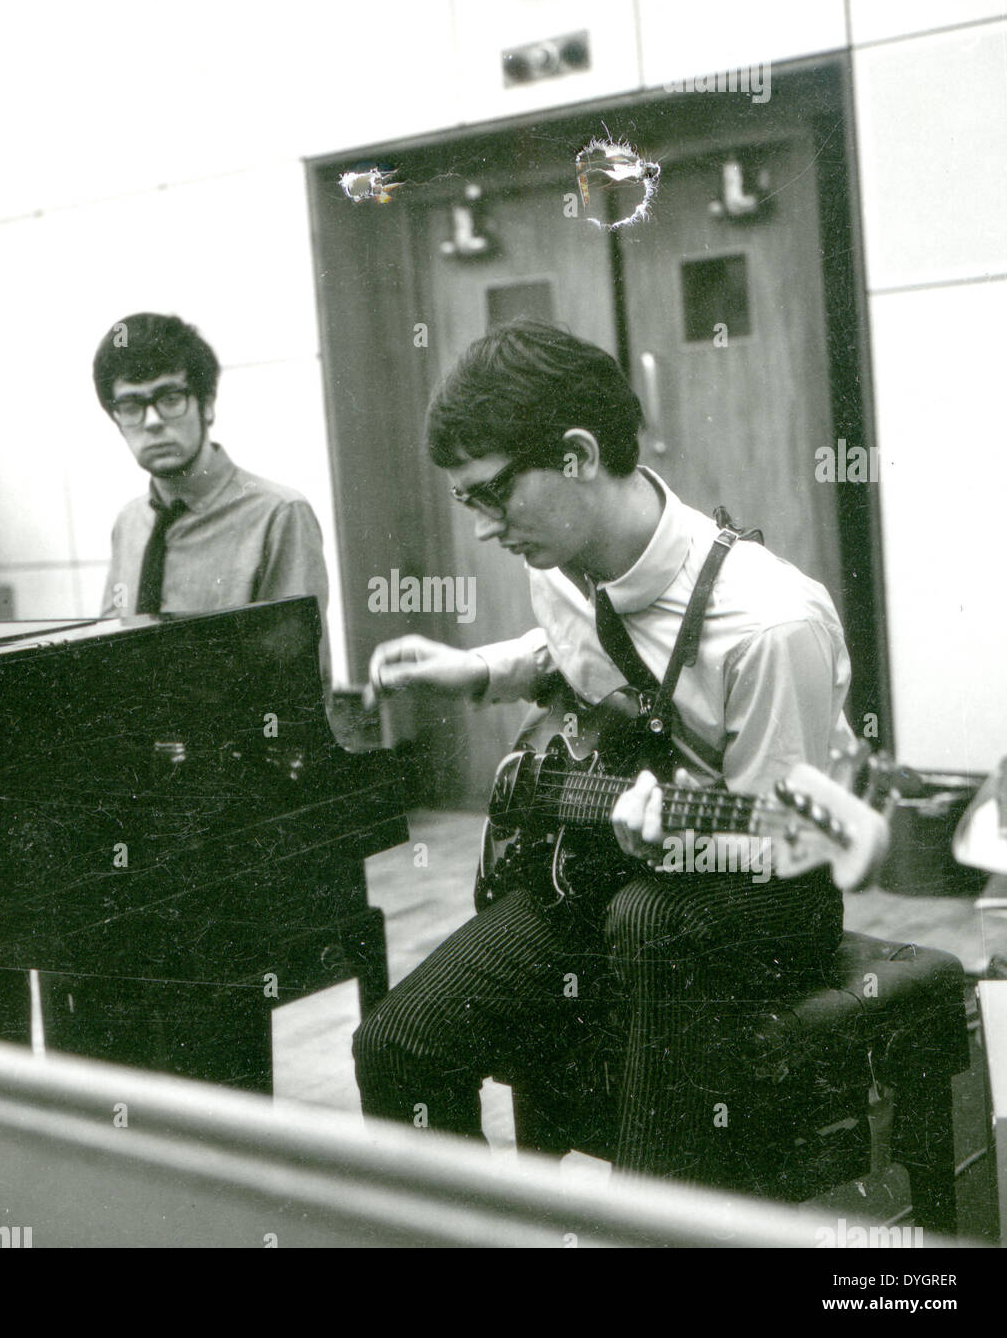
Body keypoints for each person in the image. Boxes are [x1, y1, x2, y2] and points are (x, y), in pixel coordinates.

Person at [354, 320, 852, 1183]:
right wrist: (477, 670)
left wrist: (681, 843)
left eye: (489, 495)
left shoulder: (771, 625)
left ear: (578, 454)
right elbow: (590, 656)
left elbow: (790, 836)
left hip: (764, 889)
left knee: (648, 919)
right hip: (603, 861)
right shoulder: (555, 564)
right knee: (397, 1044)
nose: (480, 530)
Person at [93, 312, 330, 676]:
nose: (153, 421)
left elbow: (296, 689)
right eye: (131, 406)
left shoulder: (277, 514)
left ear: (206, 404)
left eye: (170, 398)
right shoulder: (129, 523)